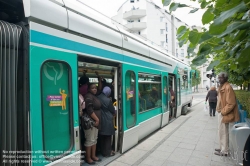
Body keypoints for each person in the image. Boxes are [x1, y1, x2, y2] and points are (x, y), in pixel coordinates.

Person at [214, 72, 239, 156]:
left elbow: (231, 103)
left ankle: (225, 151)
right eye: (219, 77)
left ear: (225, 78)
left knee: (224, 132)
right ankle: (221, 147)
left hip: (224, 113)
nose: (219, 79)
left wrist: (222, 112)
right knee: (221, 131)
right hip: (222, 113)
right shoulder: (222, 87)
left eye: (221, 78)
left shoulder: (228, 87)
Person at [83, 83, 102, 164]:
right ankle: (88, 158)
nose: (95, 89)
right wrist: (97, 120)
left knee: (94, 139)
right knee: (89, 140)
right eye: (92, 88)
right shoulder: (88, 96)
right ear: (89, 89)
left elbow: (100, 89)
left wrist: (100, 79)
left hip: (95, 123)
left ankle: (93, 156)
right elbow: (89, 110)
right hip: (90, 123)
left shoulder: (94, 95)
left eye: (95, 88)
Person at [98, 86, 116, 157]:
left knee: (101, 136)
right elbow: (112, 110)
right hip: (107, 119)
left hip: (100, 117)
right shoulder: (108, 100)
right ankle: (108, 152)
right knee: (108, 137)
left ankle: (102, 151)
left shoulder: (98, 96)